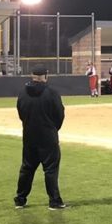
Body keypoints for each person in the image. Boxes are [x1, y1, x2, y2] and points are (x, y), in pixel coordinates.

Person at [14, 65, 66, 210]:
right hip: (48, 137)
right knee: (50, 169)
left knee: (27, 168)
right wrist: (53, 128)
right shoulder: (51, 93)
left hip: (29, 135)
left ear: (32, 75)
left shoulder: (23, 92)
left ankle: (20, 199)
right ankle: (54, 201)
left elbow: (21, 112)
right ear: (45, 76)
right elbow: (59, 115)